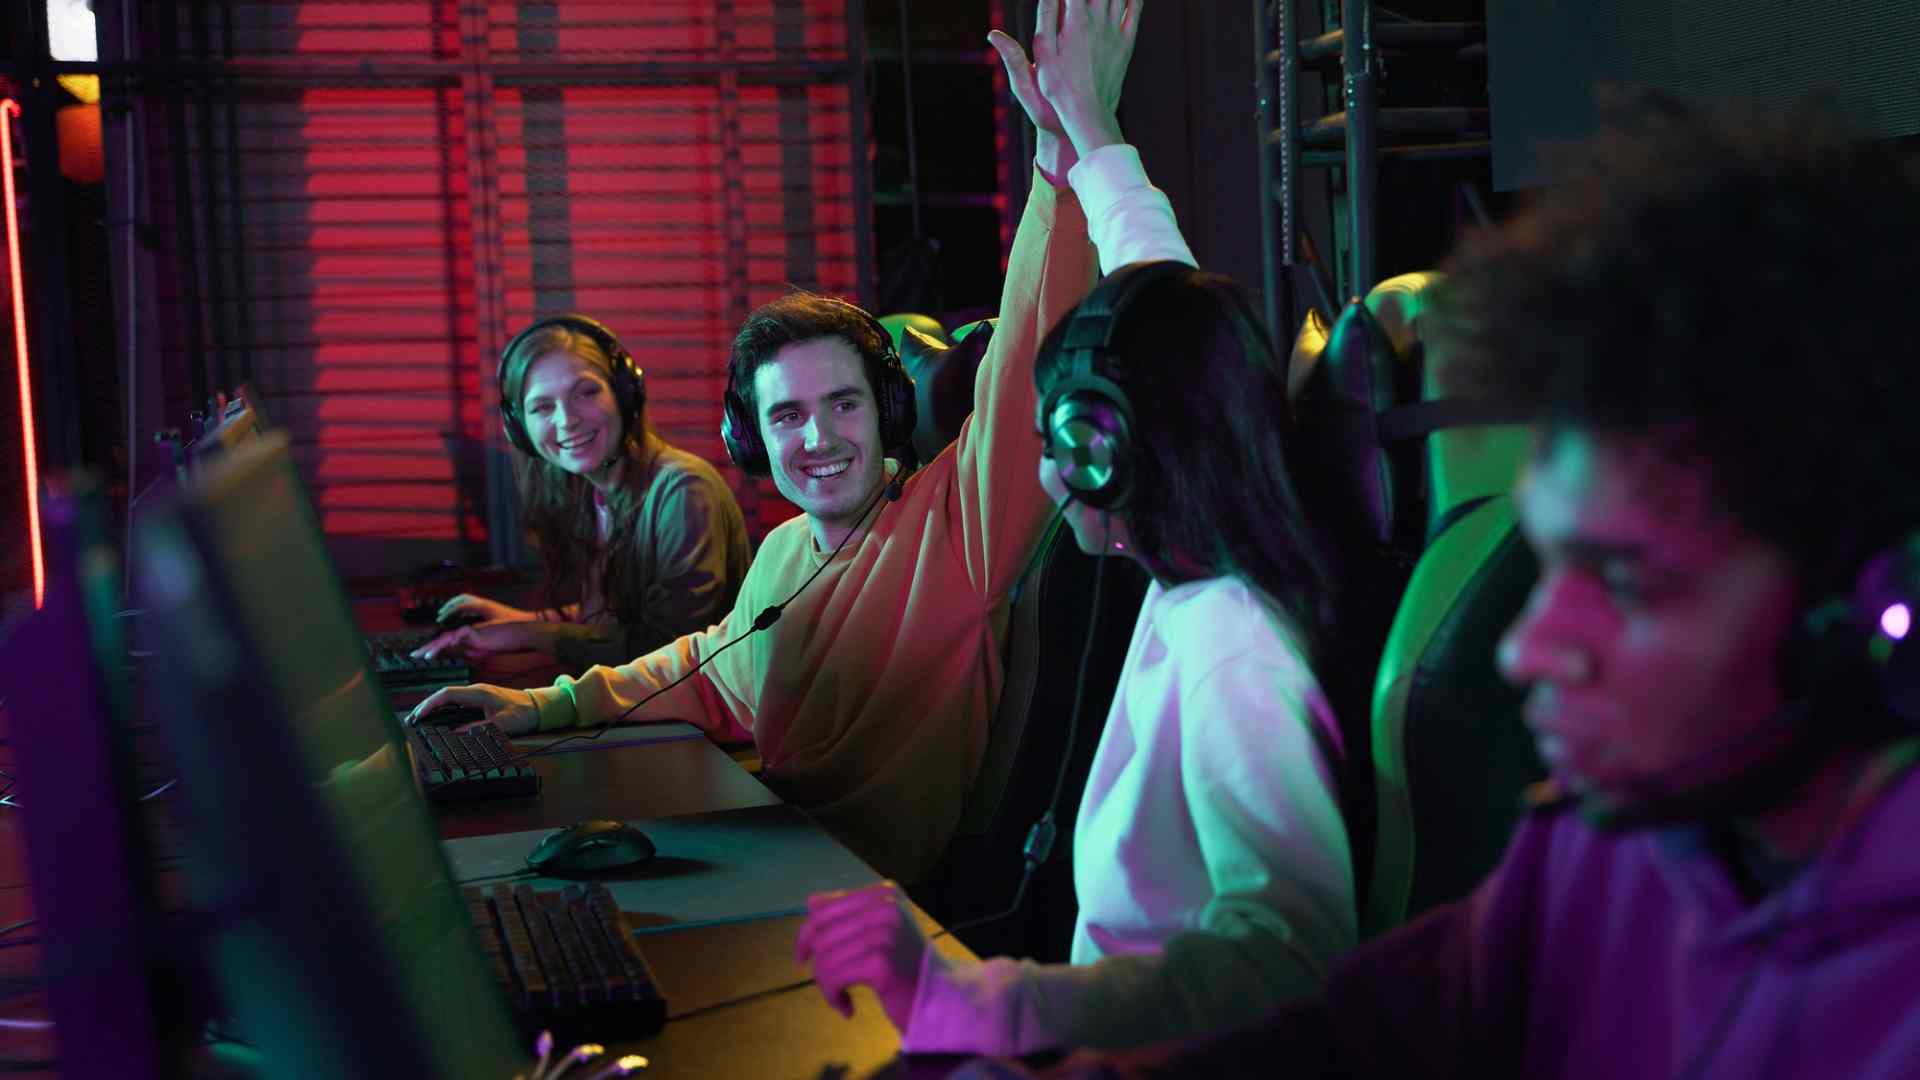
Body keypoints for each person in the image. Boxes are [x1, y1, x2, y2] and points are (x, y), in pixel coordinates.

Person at [965, 99, 1920, 1079]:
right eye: (1545, 562)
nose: (1526, 647)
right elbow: (1343, 1034)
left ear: (1873, 611)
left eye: (1625, 580)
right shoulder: (1590, 852)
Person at [410, 0, 1172, 886]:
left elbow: (1026, 352)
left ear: (887, 412)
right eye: (786, 416)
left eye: (844, 405)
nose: (817, 437)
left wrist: (1058, 156)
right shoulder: (781, 556)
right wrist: (537, 708)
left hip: (862, 895)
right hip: (774, 850)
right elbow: (706, 666)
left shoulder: (957, 522)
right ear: (750, 436)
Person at [410, 315, 751, 674]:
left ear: (623, 395)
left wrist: (528, 634)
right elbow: (614, 619)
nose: (567, 420)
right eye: (542, 407)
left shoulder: (684, 491)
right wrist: (518, 620)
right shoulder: (597, 492)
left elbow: (666, 649)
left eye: (586, 392)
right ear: (520, 428)